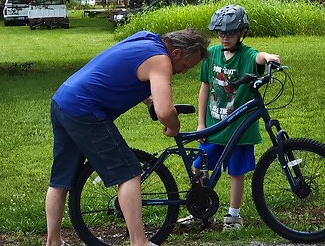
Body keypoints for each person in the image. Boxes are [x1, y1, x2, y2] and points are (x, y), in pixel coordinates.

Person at [45, 28, 209, 246]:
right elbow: (165, 112)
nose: (185, 71)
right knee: (129, 173)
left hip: (63, 100)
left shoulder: (146, 38)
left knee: (61, 179)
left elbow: (122, 69)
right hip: (85, 109)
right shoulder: (161, 61)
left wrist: (149, 100)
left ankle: (53, 242)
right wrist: (174, 126)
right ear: (177, 52)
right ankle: (139, 242)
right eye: (187, 65)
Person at [182, 5, 280, 230]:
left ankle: (233, 216)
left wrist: (270, 57)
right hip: (214, 127)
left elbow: (259, 57)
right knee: (200, 168)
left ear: (242, 33)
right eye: (221, 33)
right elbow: (204, 88)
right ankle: (201, 209)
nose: (225, 38)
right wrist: (200, 123)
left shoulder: (247, 55)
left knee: (237, 172)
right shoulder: (213, 54)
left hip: (240, 130)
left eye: (231, 33)